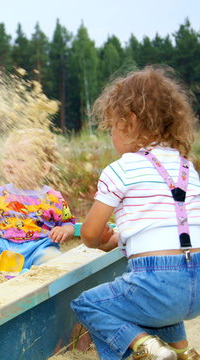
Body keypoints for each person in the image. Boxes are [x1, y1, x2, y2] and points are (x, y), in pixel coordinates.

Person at [70, 66, 200, 360]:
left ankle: (145, 346)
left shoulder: (122, 168)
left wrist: (99, 239)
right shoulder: (186, 167)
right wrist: (118, 238)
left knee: (88, 304)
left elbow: (90, 233)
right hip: (198, 280)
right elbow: (165, 229)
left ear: (128, 121)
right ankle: (182, 351)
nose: (112, 135)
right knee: (160, 301)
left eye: (113, 125)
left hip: (157, 279)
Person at [0, 128, 76, 270]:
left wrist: (65, 231)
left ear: (43, 169)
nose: (9, 163)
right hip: (3, 247)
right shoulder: (1, 193)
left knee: (53, 260)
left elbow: (68, 223)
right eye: (7, 157)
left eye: (20, 159)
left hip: (39, 248)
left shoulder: (53, 198)